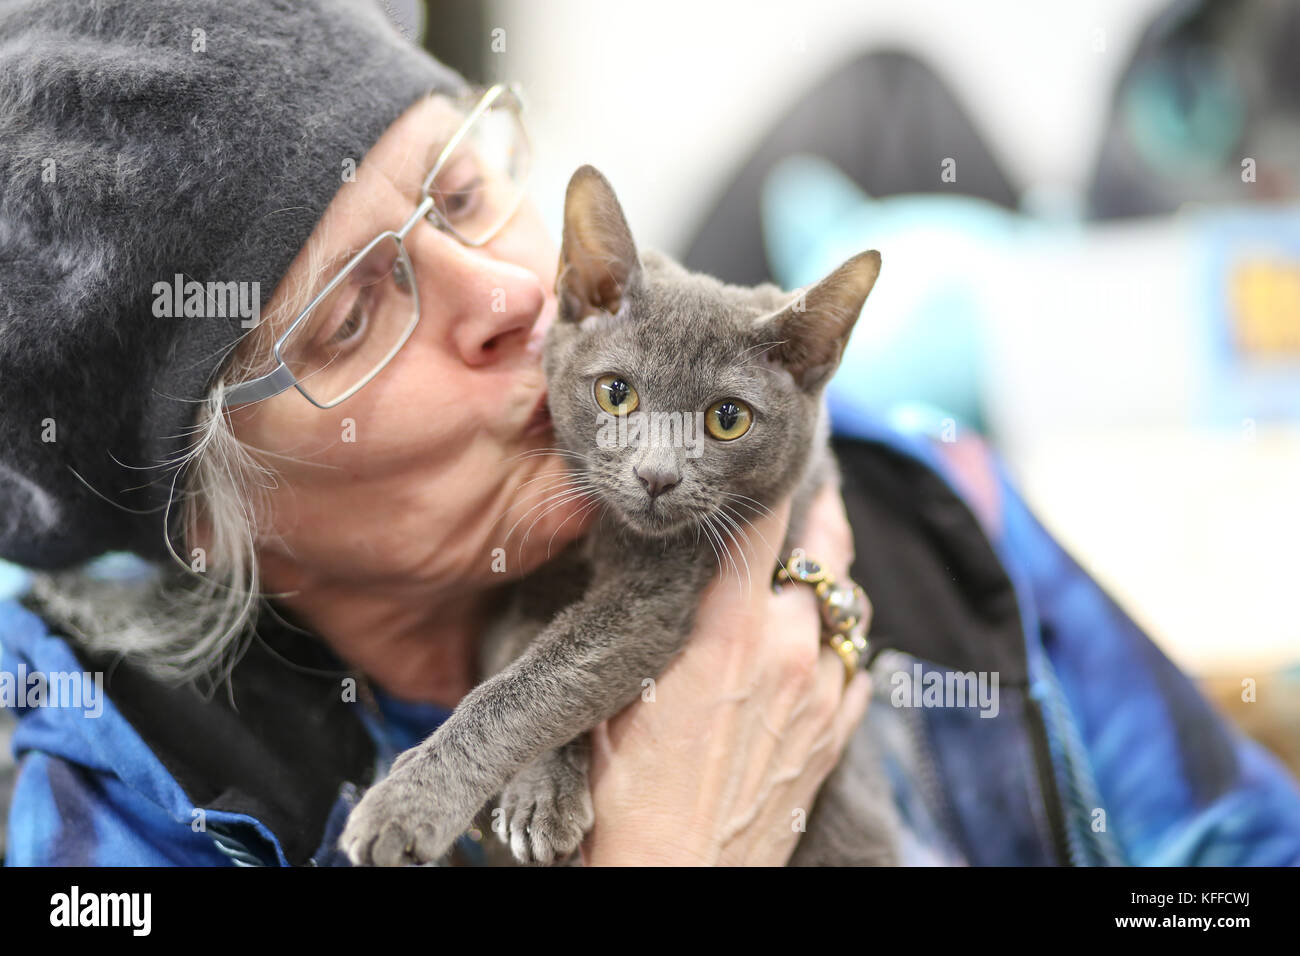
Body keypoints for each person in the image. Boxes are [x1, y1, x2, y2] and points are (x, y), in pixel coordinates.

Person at [1, 0, 1298, 867]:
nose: (512, 298)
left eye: (463, 194)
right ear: (207, 515)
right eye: (352, 318)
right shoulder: (125, 813)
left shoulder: (921, 501)